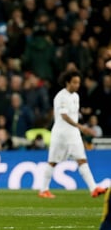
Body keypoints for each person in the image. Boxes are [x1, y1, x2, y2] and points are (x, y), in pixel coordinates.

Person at [38, 69, 106, 199]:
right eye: (74, 82)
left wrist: (80, 124)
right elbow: (64, 116)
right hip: (61, 134)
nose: (77, 85)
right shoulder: (61, 96)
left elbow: (74, 115)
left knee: (82, 160)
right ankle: (43, 189)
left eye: (78, 82)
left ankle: (93, 188)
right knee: (52, 161)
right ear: (67, 82)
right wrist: (81, 127)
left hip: (73, 134)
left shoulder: (76, 96)